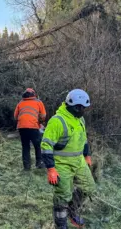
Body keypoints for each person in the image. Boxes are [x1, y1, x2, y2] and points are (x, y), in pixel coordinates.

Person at [41, 89, 95, 229]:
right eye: (78, 107)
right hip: (61, 164)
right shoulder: (57, 121)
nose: (81, 110)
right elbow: (46, 145)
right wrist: (51, 169)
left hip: (79, 162)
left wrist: (87, 155)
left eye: (84, 108)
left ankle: (72, 211)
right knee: (63, 195)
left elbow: (83, 139)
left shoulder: (80, 120)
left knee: (88, 187)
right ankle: (61, 224)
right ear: (70, 104)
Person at [14, 88, 47, 170]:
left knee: (25, 146)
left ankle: (26, 167)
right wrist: (40, 122)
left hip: (22, 127)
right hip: (33, 126)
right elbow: (43, 116)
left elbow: (15, 116)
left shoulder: (20, 103)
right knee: (37, 145)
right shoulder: (38, 102)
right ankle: (39, 163)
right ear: (34, 94)